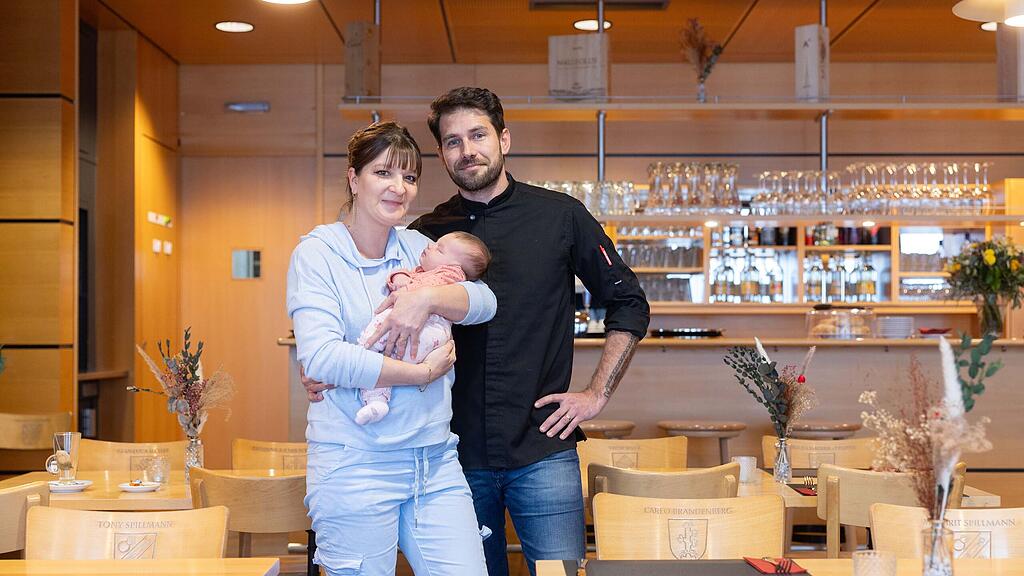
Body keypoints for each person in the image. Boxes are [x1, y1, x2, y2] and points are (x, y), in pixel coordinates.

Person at [303, 87, 649, 576]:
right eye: (452, 141)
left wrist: (596, 393)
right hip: (451, 454)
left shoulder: (561, 216)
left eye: (478, 135)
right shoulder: (422, 235)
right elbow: (369, 320)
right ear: (441, 153)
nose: (467, 150)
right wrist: (328, 368)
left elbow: (629, 302)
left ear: (503, 139)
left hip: (542, 445)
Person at [287, 121, 495, 576]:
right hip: (354, 463)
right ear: (353, 178)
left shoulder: (417, 246)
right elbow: (322, 357)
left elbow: (484, 301)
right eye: (384, 172)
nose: (399, 188)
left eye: (410, 176)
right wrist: (420, 374)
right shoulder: (318, 253)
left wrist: (426, 299)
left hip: (433, 461)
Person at [355, 231, 491, 425]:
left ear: (453, 266)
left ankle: (363, 349)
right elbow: (404, 276)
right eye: (435, 243)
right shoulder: (423, 271)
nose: (430, 246)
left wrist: (409, 290)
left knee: (383, 324)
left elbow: (428, 287)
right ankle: (377, 401)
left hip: (428, 331)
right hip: (420, 341)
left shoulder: (451, 274)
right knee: (384, 361)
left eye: (439, 249)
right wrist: (400, 278)